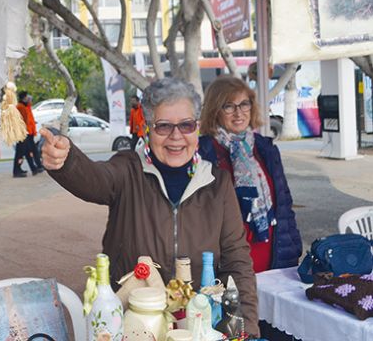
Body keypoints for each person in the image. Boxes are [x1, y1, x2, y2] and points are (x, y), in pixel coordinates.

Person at [40, 77, 259, 336]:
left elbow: (237, 262)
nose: (176, 137)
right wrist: (66, 160)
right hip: (133, 323)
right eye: (163, 126)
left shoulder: (217, 182)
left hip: (198, 326)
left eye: (186, 125)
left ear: (197, 128)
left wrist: (246, 329)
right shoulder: (127, 170)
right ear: (147, 129)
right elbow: (93, 180)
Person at [198, 76, 302, 274]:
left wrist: (294, 248)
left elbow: (284, 204)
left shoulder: (266, 149)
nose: (239, 113)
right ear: (214, 110)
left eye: (244, 104)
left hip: (273, 255)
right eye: (228, 106)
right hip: (227, 260)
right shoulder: (203, 152)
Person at [12, 91, 43, 178]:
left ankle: (33, 168)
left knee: (25, 152)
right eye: (26, 97)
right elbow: (23, 120)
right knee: (20, 153)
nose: (28, 98)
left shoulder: (24, 106)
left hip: (26, 133)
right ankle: (18, 171)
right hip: (23, 133)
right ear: (23, 98)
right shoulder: (20, 107)